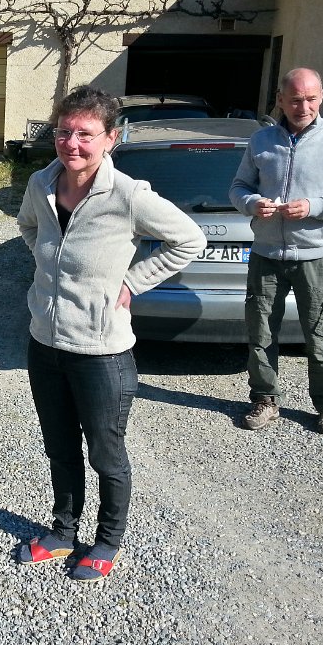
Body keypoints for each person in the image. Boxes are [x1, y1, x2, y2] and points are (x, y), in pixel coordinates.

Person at [15, 85, 205, 581]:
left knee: (106, 453)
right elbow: (29, 227)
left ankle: (107, 540)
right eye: (64, 131)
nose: (72, 143)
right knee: (59, 447)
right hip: (45, 343)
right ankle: (62, 531)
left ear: (110, 138)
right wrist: (48, 264)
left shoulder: (128, 195)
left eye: (85, 134)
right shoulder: (41, 183)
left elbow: (189, 238)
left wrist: (133, 283)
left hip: (101, 352)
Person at [229, 67, 323, 435]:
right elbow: (238, 188)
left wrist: (314, 207)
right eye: (294, 99)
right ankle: (265, 399)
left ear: (320, 98)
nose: (302, 107)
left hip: (317, 257)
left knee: (322, 336)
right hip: (266, 254)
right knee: (261, 334)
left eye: (310, 99)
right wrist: (253, 203)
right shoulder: (261, 140)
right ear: (280, 100)